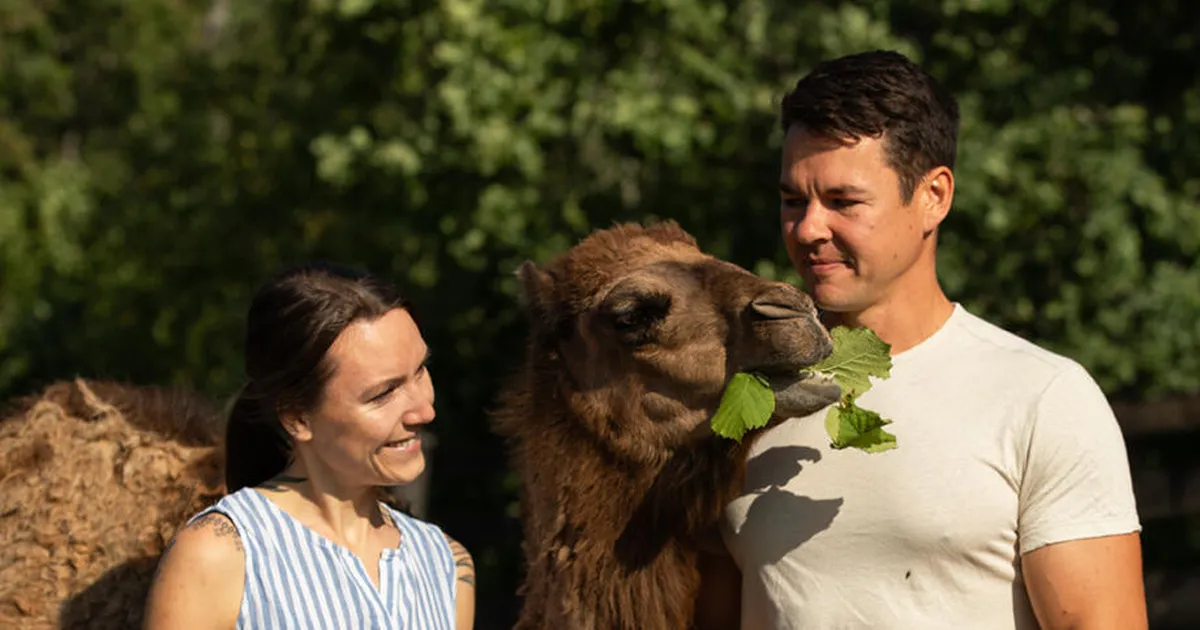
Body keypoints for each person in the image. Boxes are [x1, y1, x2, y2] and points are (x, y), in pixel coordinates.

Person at [705, 50, 1146, 630]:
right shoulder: (739, 402)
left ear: (934, 196)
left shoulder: (1042, 398)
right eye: (793, 200)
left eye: (843, 202)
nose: (809, 229)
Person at [144, 262, 475, 629]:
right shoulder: (218, 555)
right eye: (384, 393)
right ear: (297, 417)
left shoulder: (446, 565)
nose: (424, 410)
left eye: (420, 371)